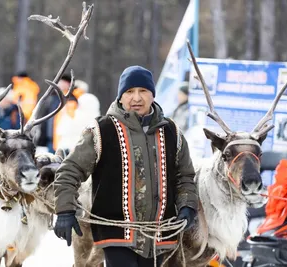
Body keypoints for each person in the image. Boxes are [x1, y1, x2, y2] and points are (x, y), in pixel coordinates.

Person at [53, 66, 198, 267]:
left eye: (143, 91)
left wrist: (188, 206)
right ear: (120, 97)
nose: (136, 98)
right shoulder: (100, 131)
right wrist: (64, 209)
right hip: (116, 232)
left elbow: (185, 176)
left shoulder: (172, 132)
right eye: (129, 92)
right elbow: (70, 171)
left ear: (152, 95)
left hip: (159, 233)